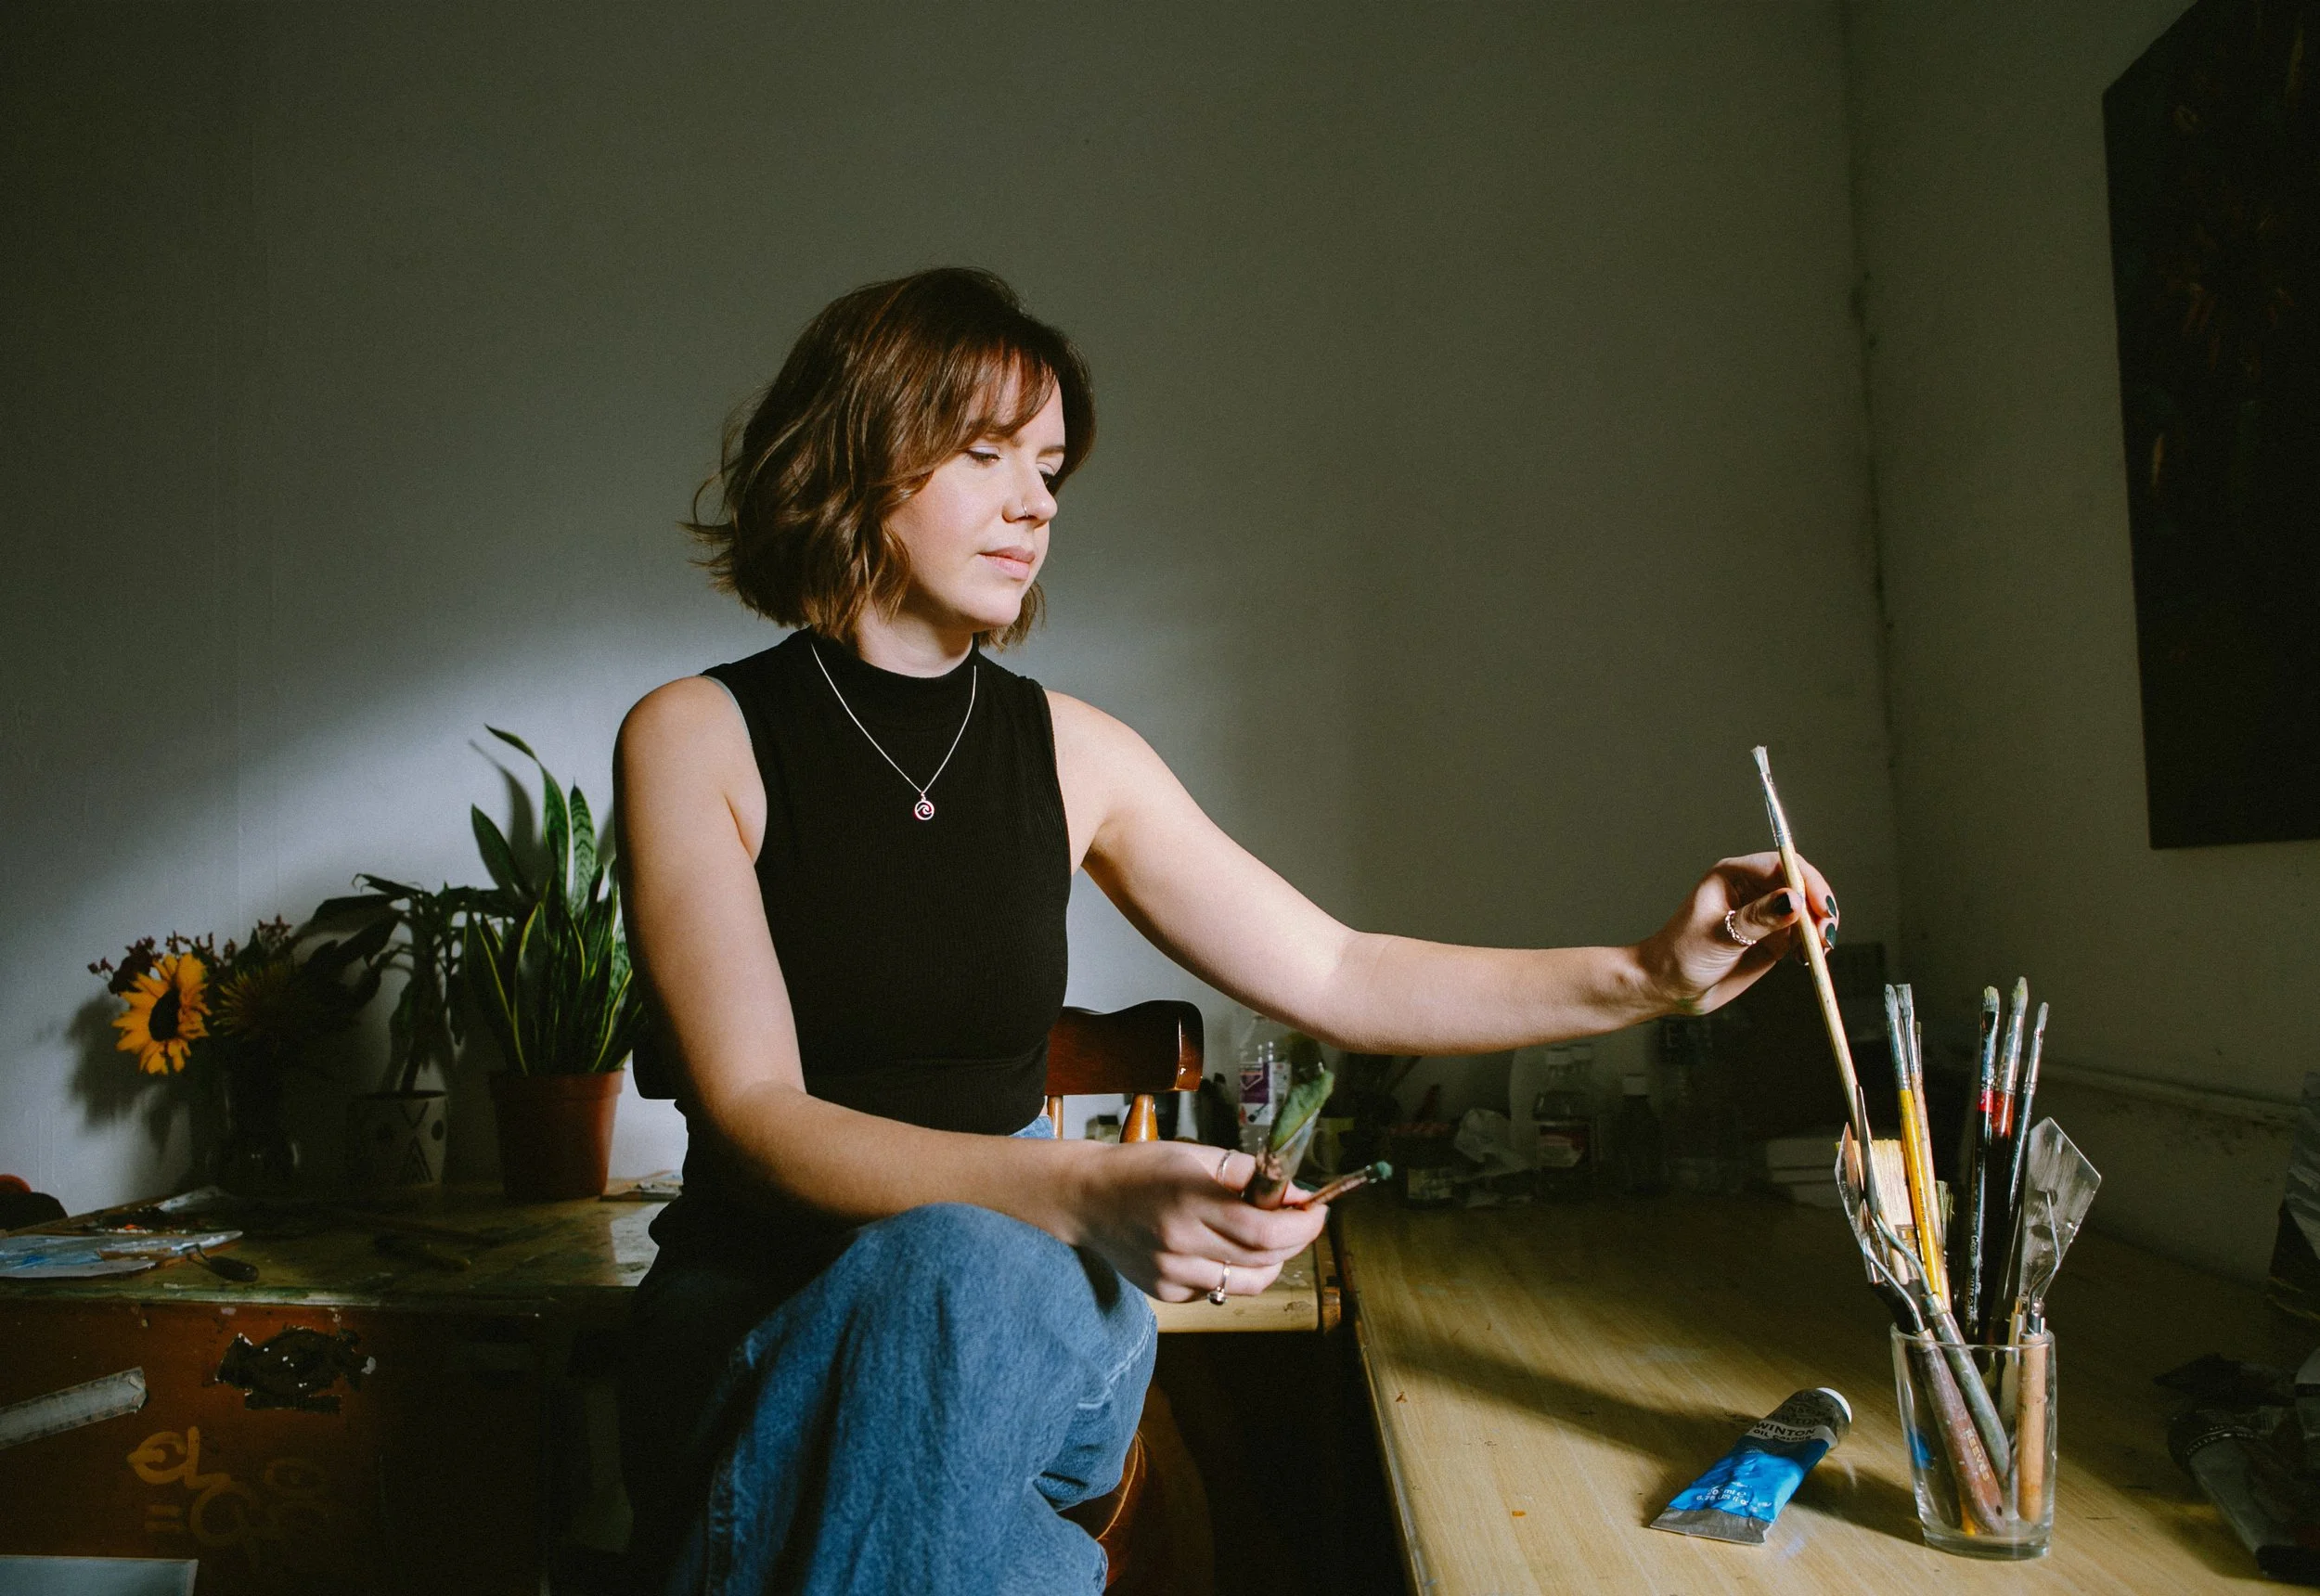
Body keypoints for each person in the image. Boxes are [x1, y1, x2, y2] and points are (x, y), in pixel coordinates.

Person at [613, 266, 1837, 1594]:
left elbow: (1338, 971)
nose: (1035, 502)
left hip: (1030, 1317)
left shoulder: (1079, 754)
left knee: (971, 1277)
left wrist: (1651, 975)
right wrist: (1079, 1190)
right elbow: (752, 1114)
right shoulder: (698, 735)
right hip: (768, 1311)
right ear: (854, 453)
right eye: (985, 455)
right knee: (955, 1326)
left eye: (1053, 468)